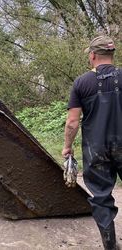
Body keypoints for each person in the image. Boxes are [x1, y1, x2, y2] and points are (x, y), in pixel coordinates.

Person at [62, 35, 122, 250]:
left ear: (93, 55)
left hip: (96, 150)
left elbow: (72, 122)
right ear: (112, 54)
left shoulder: (82, 82)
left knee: (101, 196)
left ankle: (110, 246)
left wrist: (67, 147)